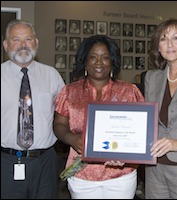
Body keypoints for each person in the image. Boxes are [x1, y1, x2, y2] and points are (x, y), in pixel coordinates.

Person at [53, 35, 144, 199]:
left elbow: (140, 130)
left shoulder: (129, 91)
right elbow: (59, 124)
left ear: (112, 61)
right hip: (81, 174)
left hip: (121, 174)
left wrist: (128, 152)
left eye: (105, 58)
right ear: (85, 61)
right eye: (93, 57)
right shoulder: (69, 91)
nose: (99, 62)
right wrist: (71, 138)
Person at [1, 19, 65, 199]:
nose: (23, 45)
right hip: (6, 162)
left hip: (45, 162)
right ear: (6, 45)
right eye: (16, 40)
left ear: (36, 43)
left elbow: (67, 114)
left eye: (28, 39)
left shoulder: (51, 75)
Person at [144, 18, 177, 199]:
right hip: (155, 170)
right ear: (157, 46)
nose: (169, 44)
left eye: (176, 38)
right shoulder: (152, 78)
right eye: (163, 38)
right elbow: (147, 123)